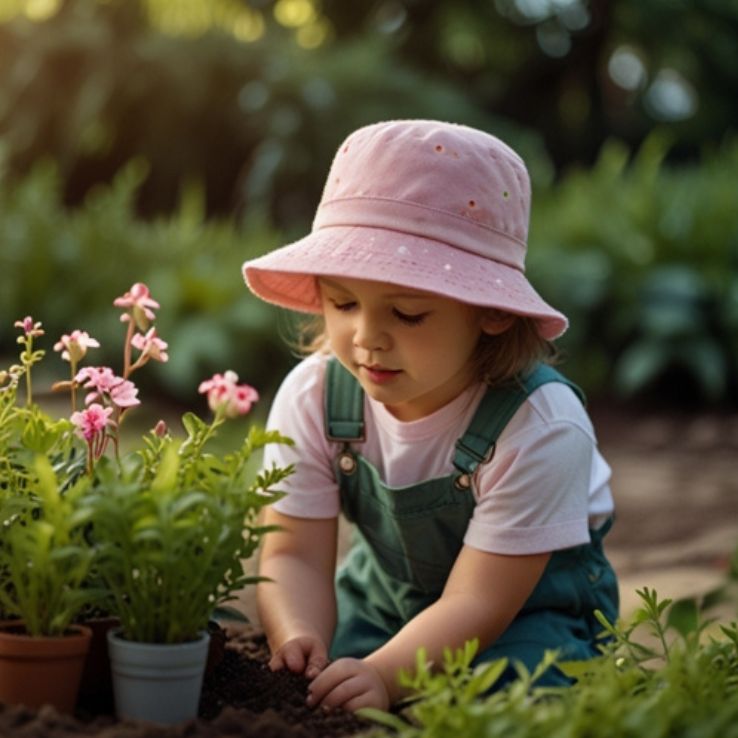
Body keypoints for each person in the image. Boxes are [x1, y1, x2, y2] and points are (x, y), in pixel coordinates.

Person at [241, 119, 618, 713]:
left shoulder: (540, 426)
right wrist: (299, 637)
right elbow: (292, 552)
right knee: (329, 676)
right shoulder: (315, 396)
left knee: (517, 699)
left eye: (408, 313)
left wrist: (386, 679)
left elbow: (478, 602)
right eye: (342, 302)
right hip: (382, 599)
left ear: (491, 312)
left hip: (523, 611)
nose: (367, 338)